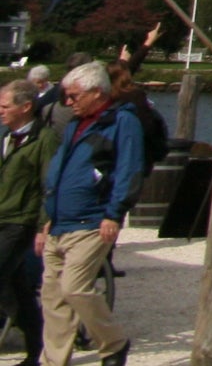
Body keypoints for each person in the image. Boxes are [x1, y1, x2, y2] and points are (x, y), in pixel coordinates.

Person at [36, 61, 140, 366]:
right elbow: (60, 171)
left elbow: (129, 170)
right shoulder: (73, 124)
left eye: (74, 96)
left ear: (97, 92)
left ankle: (113, 341)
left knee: (74, 286)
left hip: (91, 220)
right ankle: (53, 360)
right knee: (52, 297)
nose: (68, 102)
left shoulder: (121, 121)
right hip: (60, 221)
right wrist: (47, 218)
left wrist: (114, 213)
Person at [0, 81, 58, 366]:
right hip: (1, 216)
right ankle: (37, 346)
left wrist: (43, 225)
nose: (0, 111)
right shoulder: (4, 136)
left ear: (26, 107)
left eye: (5, 106)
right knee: (19, 286)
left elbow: (50, 184)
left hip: (20, 221)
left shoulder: (45, 139)